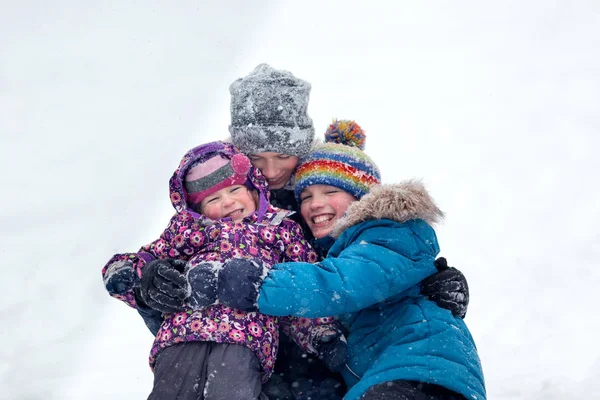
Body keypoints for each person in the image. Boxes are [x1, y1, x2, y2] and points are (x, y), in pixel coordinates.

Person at [185, 128, 487, 399]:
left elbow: (341, 282)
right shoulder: (318, 245)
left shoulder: (384, 230)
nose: (315, 204)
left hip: (419, 371)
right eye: (305, 196)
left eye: (331, 192)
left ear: (362, 198)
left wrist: (260, 284)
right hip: (374, 380)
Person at [102, 140, 346, 400]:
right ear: (197, 210)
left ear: (254, 190)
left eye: (235, 189)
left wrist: (320, 333)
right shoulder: (189, 230)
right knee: (171, 391)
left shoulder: (281, 229)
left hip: (245, 337)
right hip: (182, 333)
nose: (228, 202)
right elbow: (145, 259)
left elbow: (301, 286)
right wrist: (132, 275)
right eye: (213, 199)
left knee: (230, 392)